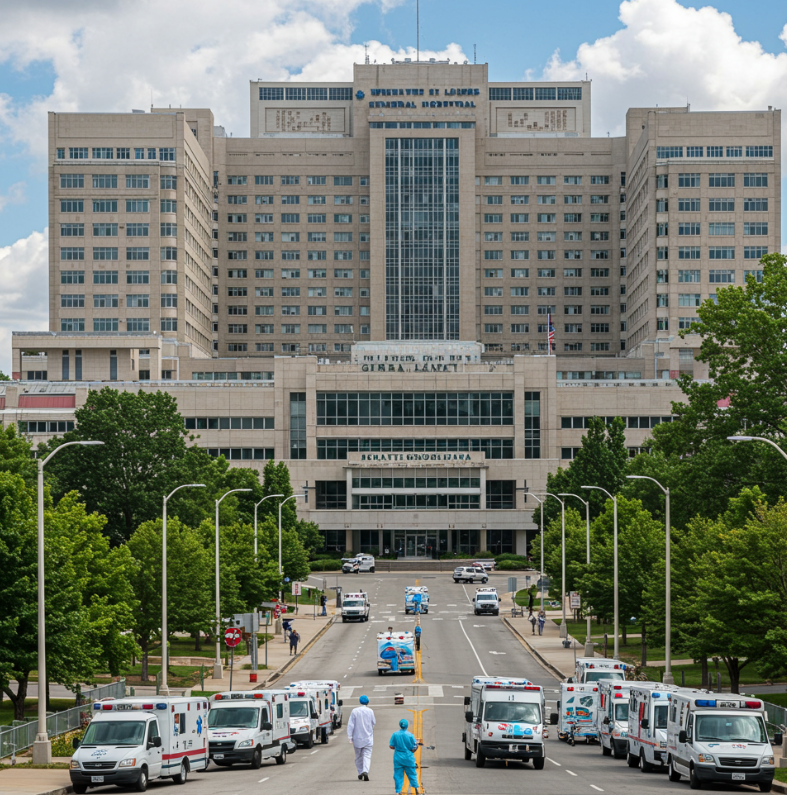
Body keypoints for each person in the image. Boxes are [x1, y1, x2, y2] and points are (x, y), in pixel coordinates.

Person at [347, 695, 376, 781]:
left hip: (357, 738)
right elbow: (373, 722)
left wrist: (350, 737)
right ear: (367, 702)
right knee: (367, 755)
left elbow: (350, 725)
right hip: (368, 738)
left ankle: (360, 772)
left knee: (358, 756)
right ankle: (365, 771)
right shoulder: (370, 711)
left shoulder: (354, 711)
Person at [389, 718, 421, 795]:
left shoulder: (395, 734)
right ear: (407, 726)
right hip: (409, 758)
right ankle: (416, 789)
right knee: (412, 774)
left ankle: (398, 791)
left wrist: (398, 747)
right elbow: (414, 747)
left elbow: (391, 746)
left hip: (398, 758)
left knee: (398, 775)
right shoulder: (410, 735)